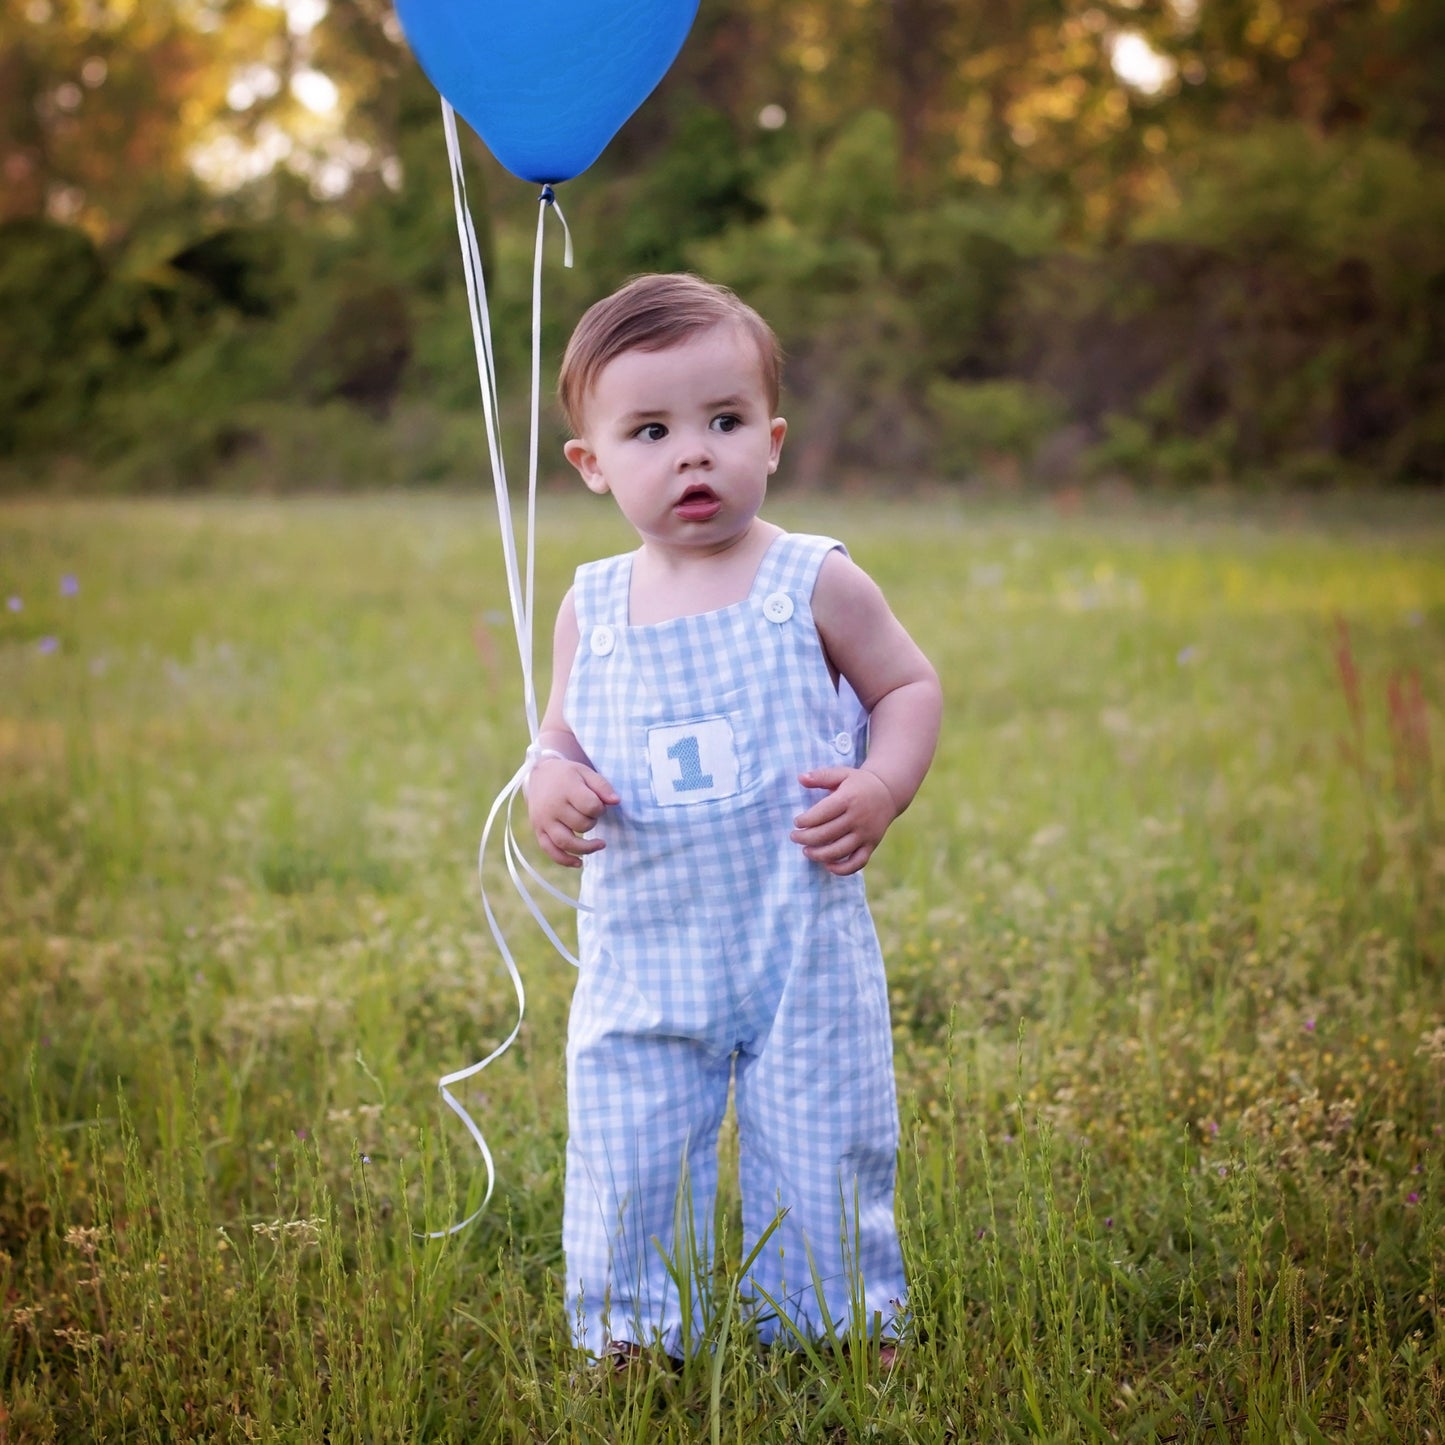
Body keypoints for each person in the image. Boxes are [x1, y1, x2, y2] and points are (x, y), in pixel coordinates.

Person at [524, 273, 942, 1367]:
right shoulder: (591, 606)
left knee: (821, 1138)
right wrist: (546, 779)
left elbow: (906, 688)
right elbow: (561, 736)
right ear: (592, 463)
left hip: (796, 944)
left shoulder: (812, 581)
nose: (692, 453)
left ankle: (837, 1323)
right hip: (643, 956)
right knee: (625, 1147)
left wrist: (881, 785)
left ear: (772, 438)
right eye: (650, 430)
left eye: (723, 421)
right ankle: (630, 1334)